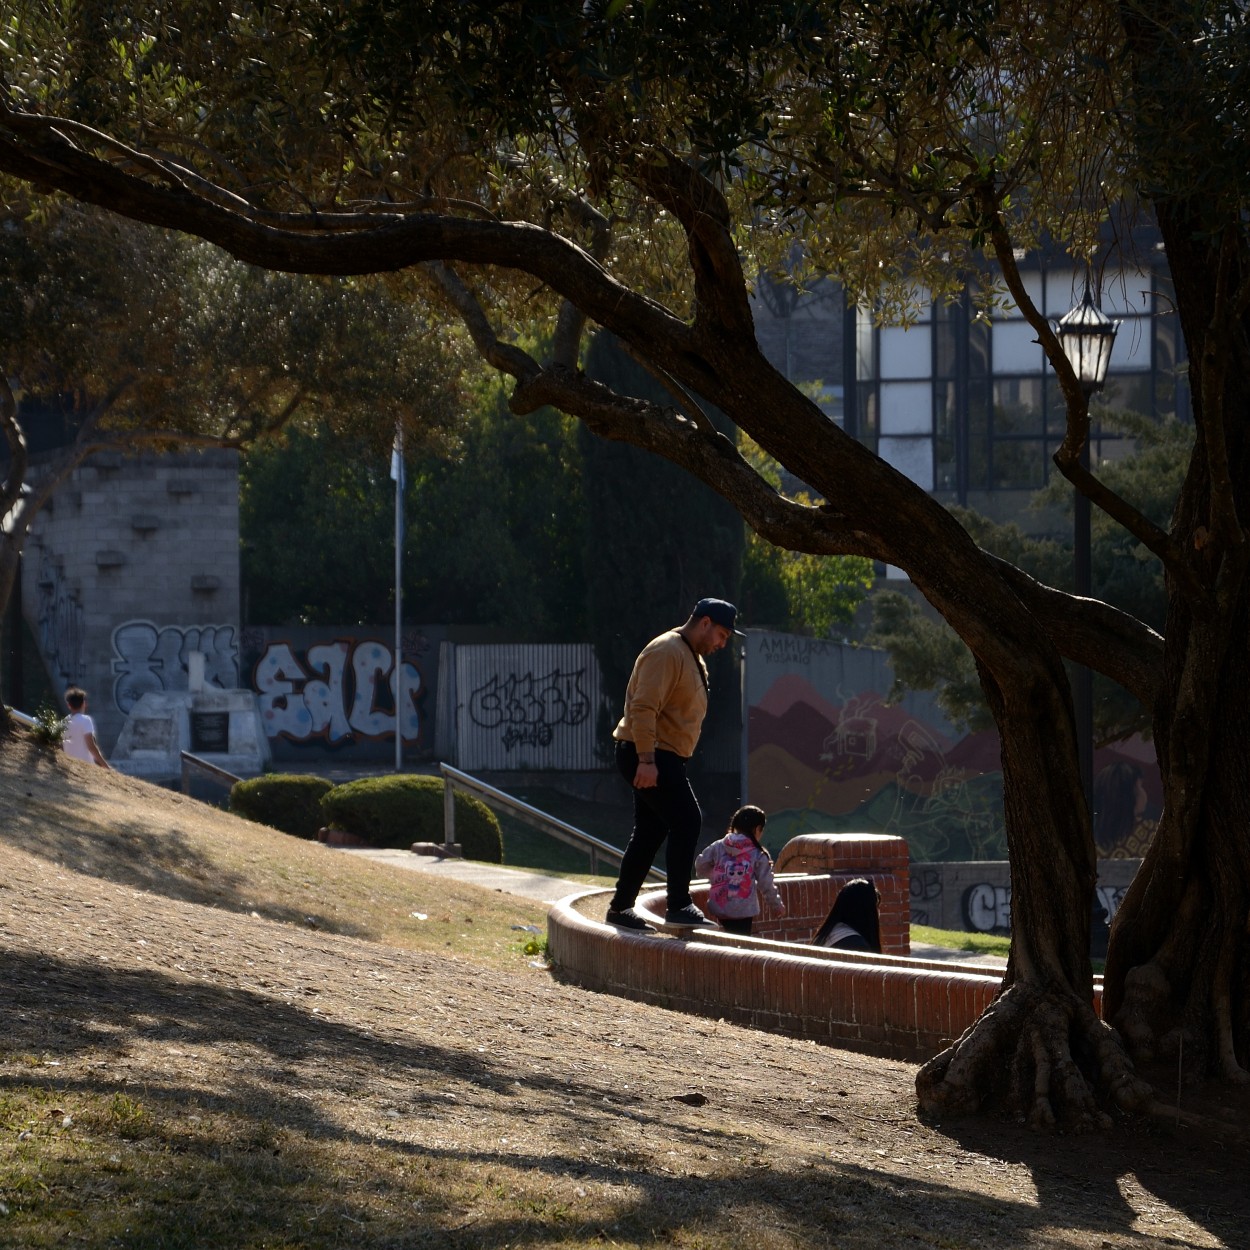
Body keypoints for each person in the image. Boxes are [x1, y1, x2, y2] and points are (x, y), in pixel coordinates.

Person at [605, 597, 741, 931]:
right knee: (688, 820)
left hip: (662, 755)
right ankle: (679, 904)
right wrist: (647, 759)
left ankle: (621, 908)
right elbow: (643, 706)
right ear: (705, 623)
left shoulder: (690, 656)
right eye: (722, 635)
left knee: (651, 831)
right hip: (649, 752)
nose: (722, 644)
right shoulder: (667, 650)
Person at [694, 804, 785, 935]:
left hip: (717, 906)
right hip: (743, 910)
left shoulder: (719, 846)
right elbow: (766, 884)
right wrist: (776, 905)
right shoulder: (758, 854)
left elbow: (700, 864)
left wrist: (716, 876)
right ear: (757, 829)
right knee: (739, 946)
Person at [811, 878, 881, 952]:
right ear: (866, 911)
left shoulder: (828, 934)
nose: (878, 912)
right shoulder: (856, 945)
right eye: (876, 907)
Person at [62, 686, 111, 769]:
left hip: (69, 765)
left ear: (69, 705)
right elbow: (91, 746)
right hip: (86, 766)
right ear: (84, 704)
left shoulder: (64, 721)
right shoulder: (86, 720)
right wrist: (106, 766)